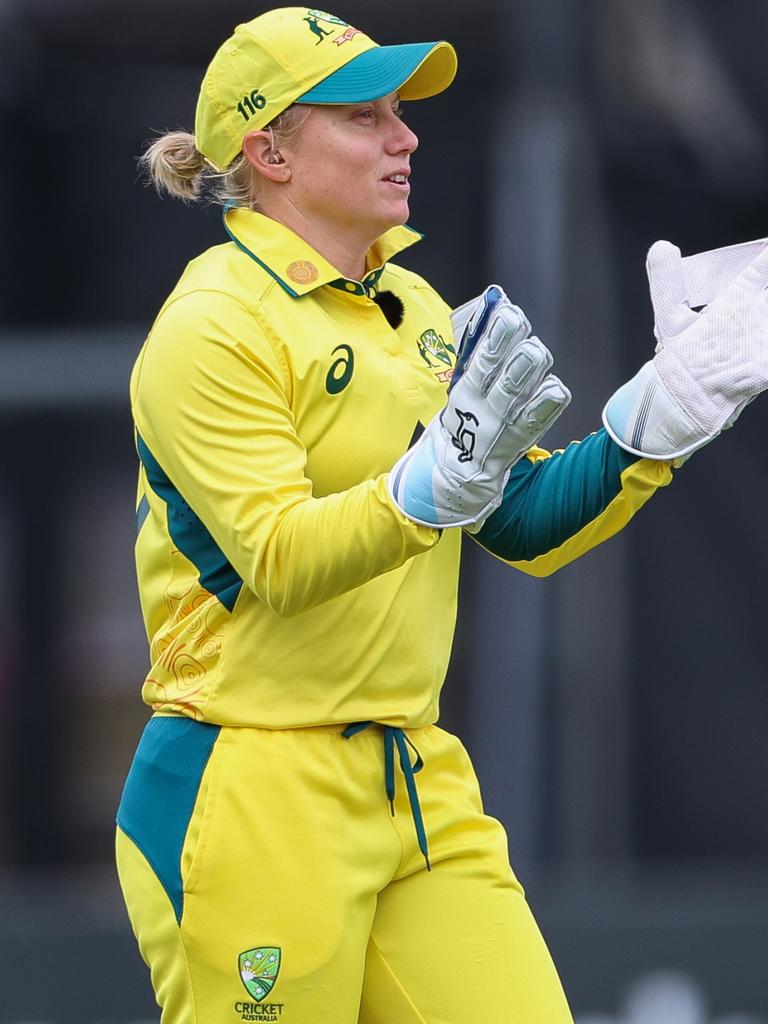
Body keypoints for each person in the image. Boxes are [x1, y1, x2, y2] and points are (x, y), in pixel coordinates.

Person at [115, 8, 768, 1024]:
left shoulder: (412, 305)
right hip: (247, 785)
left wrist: (661, 417)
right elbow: (279, 556)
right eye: (365, 116)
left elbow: (516, 523)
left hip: (414, 776)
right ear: (269, 150)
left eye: (400, 114)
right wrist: (425, 491)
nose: (405, 136)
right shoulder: (213, 326)